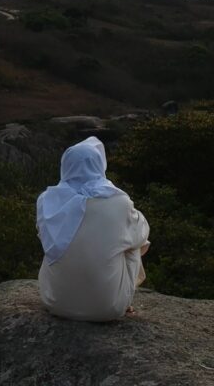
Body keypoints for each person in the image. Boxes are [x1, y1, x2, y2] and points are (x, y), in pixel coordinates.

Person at [36, 136, 150, 321]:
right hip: (108, 309)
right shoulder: (119, 201)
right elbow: (142, 234)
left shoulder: (47, 200)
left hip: (55, 302)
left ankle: (67, 292)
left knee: (56, 243)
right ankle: (122, 296)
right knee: (133, 242)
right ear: (99, 165)